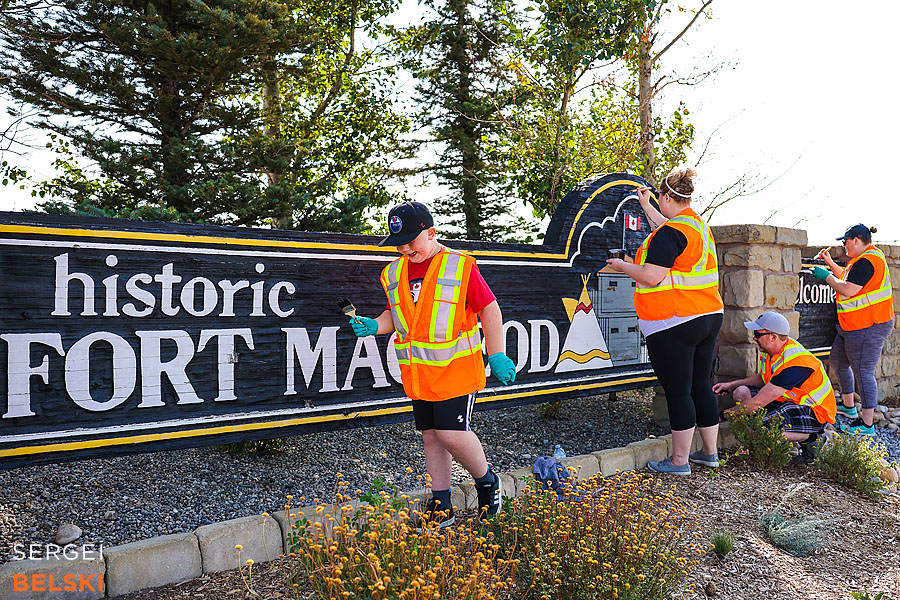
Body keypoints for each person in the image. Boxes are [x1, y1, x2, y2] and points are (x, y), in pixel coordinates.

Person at [350, 201, 517, 526]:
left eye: (412, 239)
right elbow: (397, 317)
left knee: (451, 433)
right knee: (430, 436)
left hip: (456, 372)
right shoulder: (393, 272)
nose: (405, 247)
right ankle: (441, 504)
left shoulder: (458, 266)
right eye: (399, 242)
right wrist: (375, 325)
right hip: (419, 375)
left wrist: (496, 353)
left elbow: (490, 309)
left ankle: (487, 482)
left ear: (431, 232)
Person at [607, 167, 723, 476]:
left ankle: (679, 461)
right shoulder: (695, 225)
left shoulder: (671, 233)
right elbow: (668, 231)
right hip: (708, 316)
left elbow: (651, 275)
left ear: (667, 196)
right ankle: (709, 453)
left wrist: (622, 266)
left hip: (675, 320)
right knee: (701, 385)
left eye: (659, 197)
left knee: (678, 390)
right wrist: (646, 206)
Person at [714, 312, 837, 461]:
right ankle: (758, 439)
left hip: (814, 411)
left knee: (763, 430)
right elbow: (764, 377)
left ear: (773, 337)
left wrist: (721, 415)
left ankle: (813, 438)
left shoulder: (795, 363)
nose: (754, 338)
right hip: (789, 400)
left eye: (758, 334)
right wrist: (732, 384)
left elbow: (758, 402)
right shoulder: (771, 350)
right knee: (741, 392)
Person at [811, 224, 894, 435]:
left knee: (863, 372)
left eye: (845, 241)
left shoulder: (867, 261)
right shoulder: (862, 260)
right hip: (852, 325)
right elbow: (848, 279)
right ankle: (848, 407)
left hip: (868, 325)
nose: (843, 245)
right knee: (838, 360)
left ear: (856, 240)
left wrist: (826, 277)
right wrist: (829, 264)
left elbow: (847, 289)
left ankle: (866, 424)